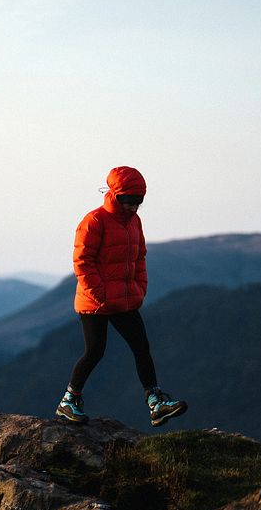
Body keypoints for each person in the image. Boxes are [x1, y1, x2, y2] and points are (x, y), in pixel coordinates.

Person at [55, 166, 188, 427]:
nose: (133, 207)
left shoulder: (134, 222)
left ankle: (155, 403)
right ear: (115, 195)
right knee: (95, 351)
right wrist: (100, 294)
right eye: (128, 201)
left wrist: (139, 289)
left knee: (141, 346)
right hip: (96, 302)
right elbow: (82, 261)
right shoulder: (94, 221)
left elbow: (139, 257)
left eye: (138, 201)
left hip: (125, 300)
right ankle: (68, 402)